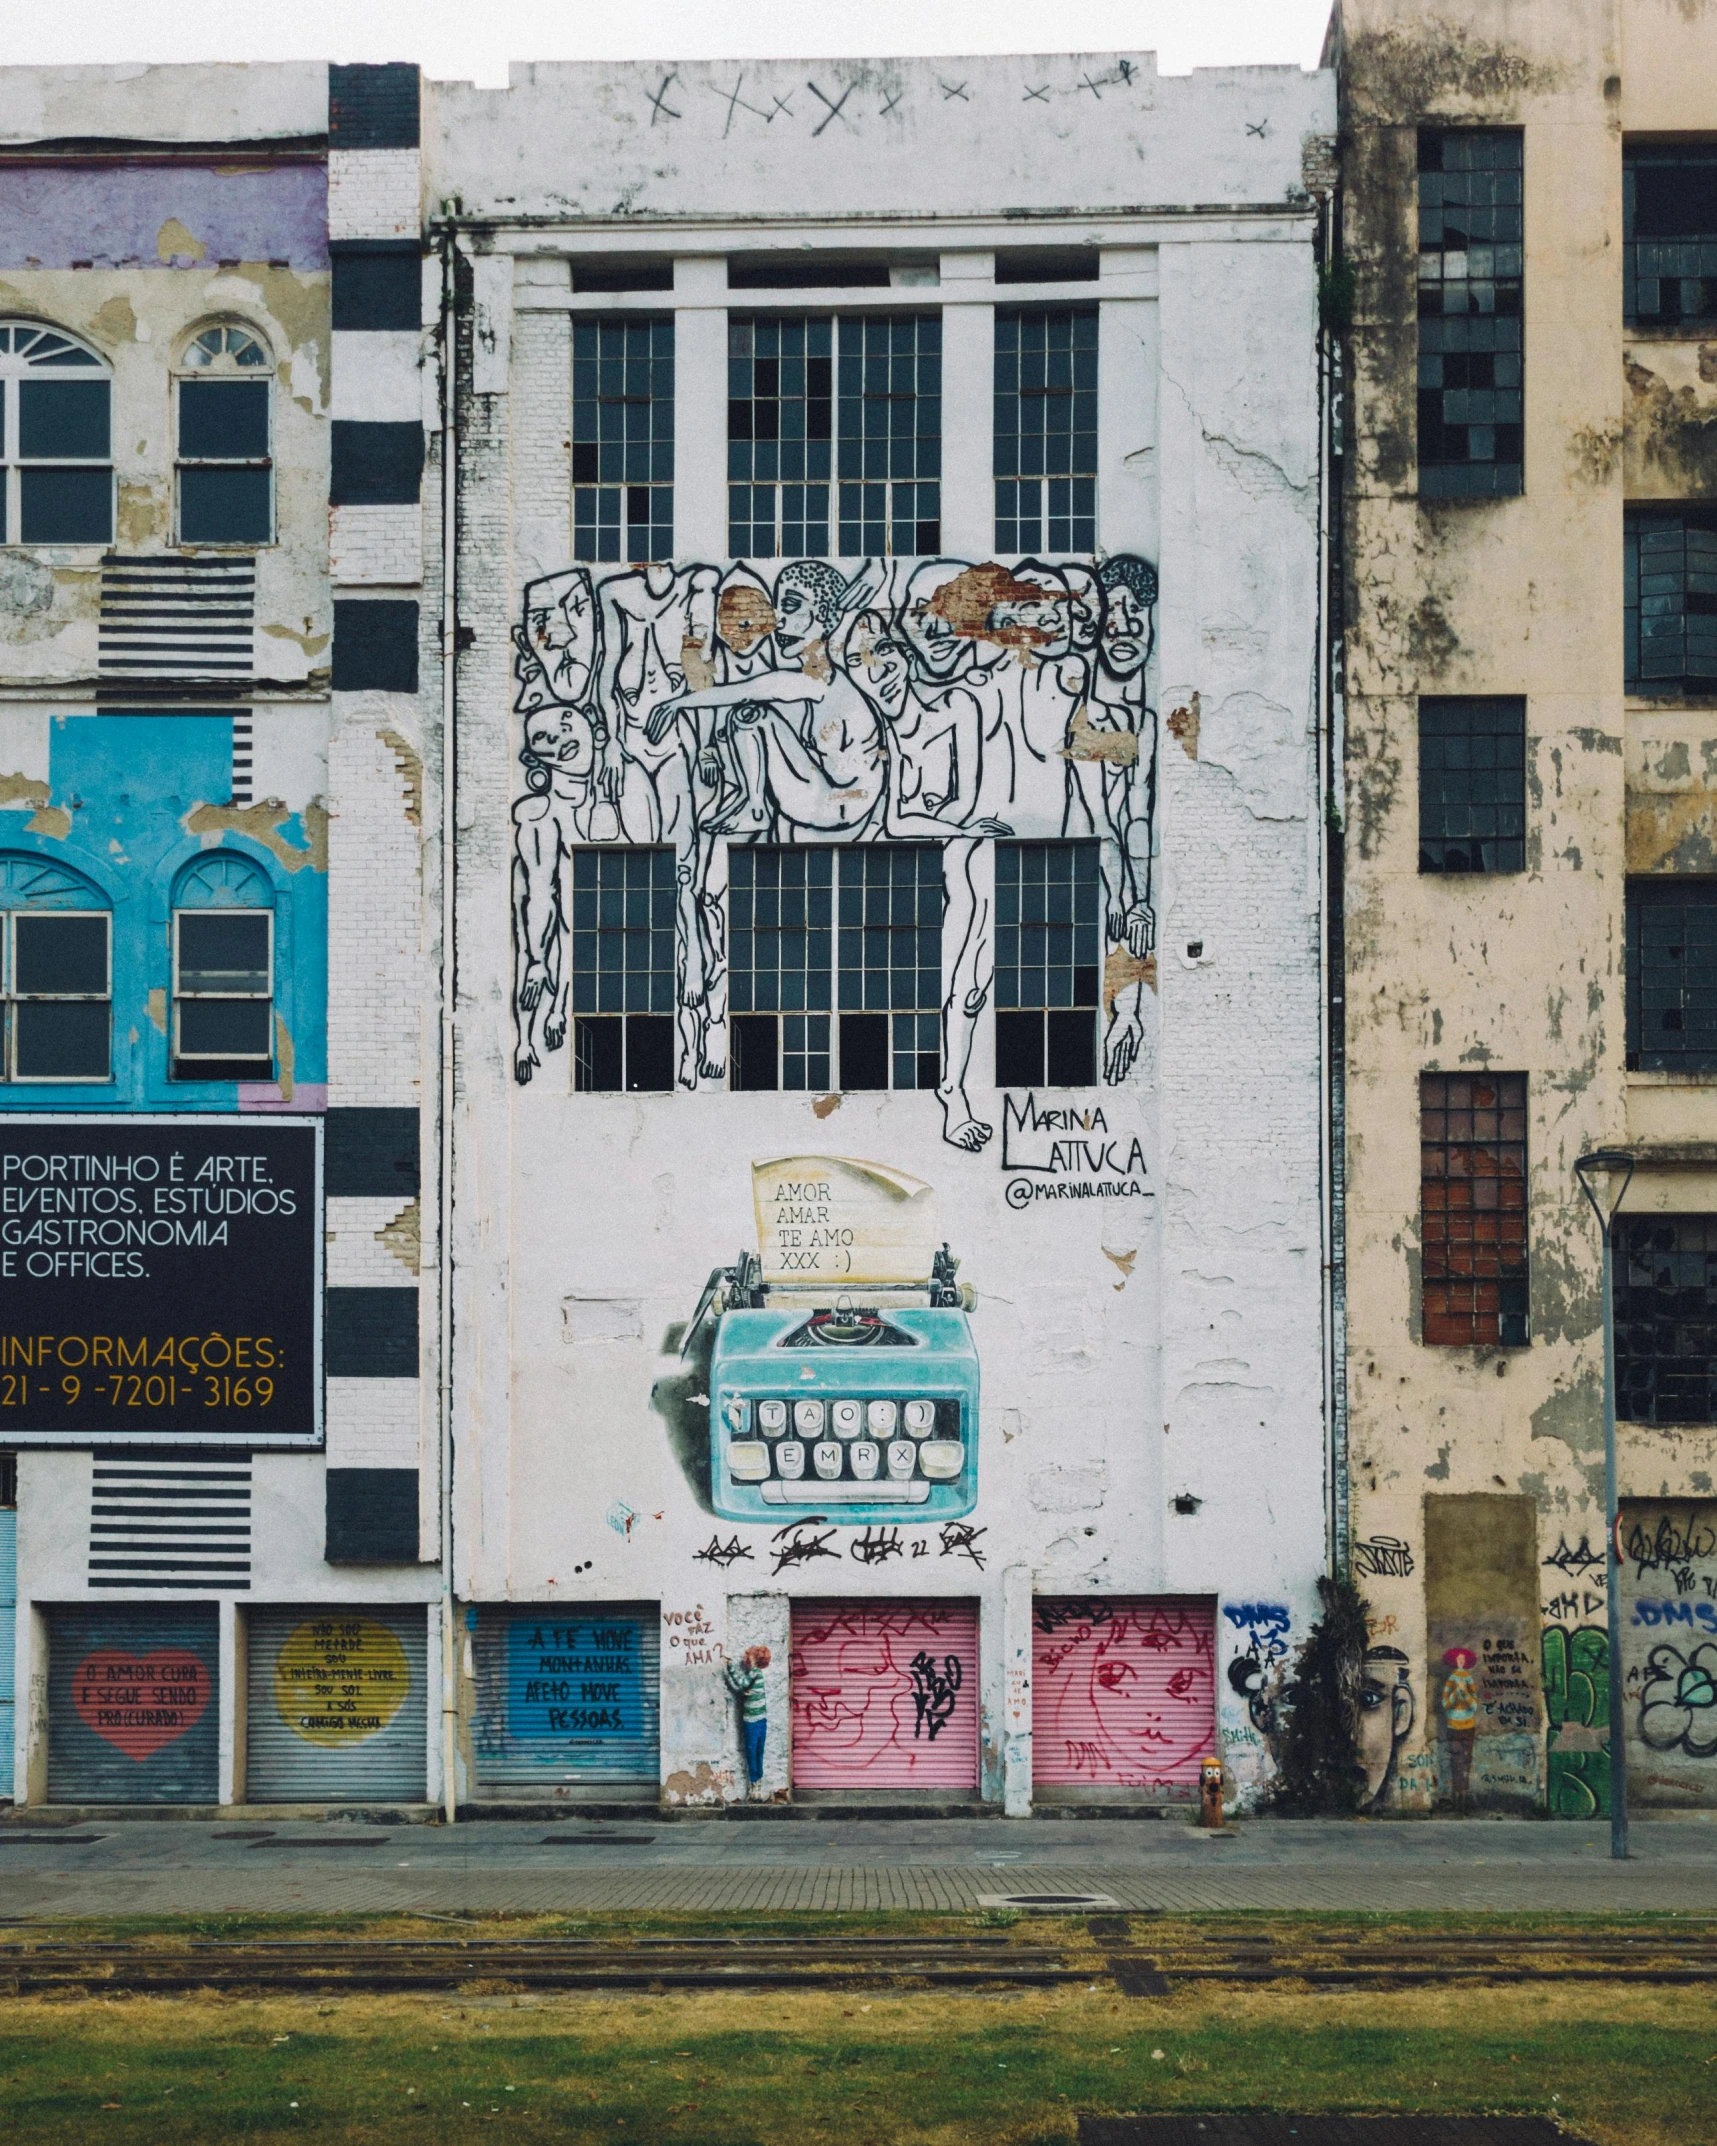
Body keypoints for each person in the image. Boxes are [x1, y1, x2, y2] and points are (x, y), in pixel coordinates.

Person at [725, 1644, 772, 1799]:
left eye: (750, 1656)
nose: (747, 1658)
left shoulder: (754, 1672)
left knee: (752, 1752)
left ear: (755, 1659)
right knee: (757, 1752)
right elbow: (746, 1688)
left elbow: (741, 1683)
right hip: (760, 1719)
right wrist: (747, 1694)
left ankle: (755, 1789)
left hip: (752, 1721)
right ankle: (756, 1788)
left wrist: (730, 1667)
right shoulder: (756, 1674)